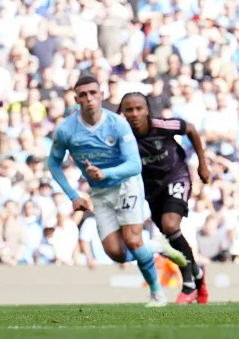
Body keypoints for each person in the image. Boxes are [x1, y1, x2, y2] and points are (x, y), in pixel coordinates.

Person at [46, 75, 187, 307]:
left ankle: (156, 293)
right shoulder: (66, 130)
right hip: (100, 193)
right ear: (76, 99)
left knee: (132, 240)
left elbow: (134, 165)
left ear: (101, 94)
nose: (89, 98)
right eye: (83, 95)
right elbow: (53, 164)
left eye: (93, 93)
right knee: (116, 253)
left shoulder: (117, 124)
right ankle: (156, 246)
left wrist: (107, 174)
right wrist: (74, 196)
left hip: (126, 185)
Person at [120, 92, 212, 305]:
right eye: (129, 110)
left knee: (170, 225)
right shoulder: (122, 136)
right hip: (151, 189)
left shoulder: (162, 125)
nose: (134, 114)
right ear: (122, 113)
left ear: (147, 110)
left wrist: (202, 164)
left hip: (176, 176)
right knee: (171, 237)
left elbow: (190, 129)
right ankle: (198, 274)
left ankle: (188, 283)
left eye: (138, 109)